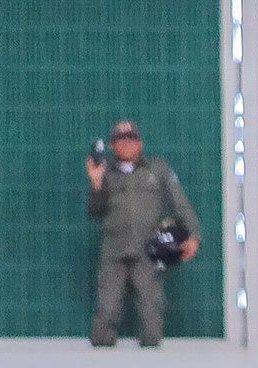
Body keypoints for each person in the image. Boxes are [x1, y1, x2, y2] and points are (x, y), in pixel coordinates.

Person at [82, 116, 196, 348]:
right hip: (114, 251)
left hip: (148, 250)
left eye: (131, 139)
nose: (126, 144)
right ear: (113, 146)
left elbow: (180, 202)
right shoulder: (105, 173)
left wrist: (193, 235)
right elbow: (95, 212)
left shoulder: (157, 169)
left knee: (152, 313)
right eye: (120, 140)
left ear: (140, 143)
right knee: (107, 312)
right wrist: (95, 184)